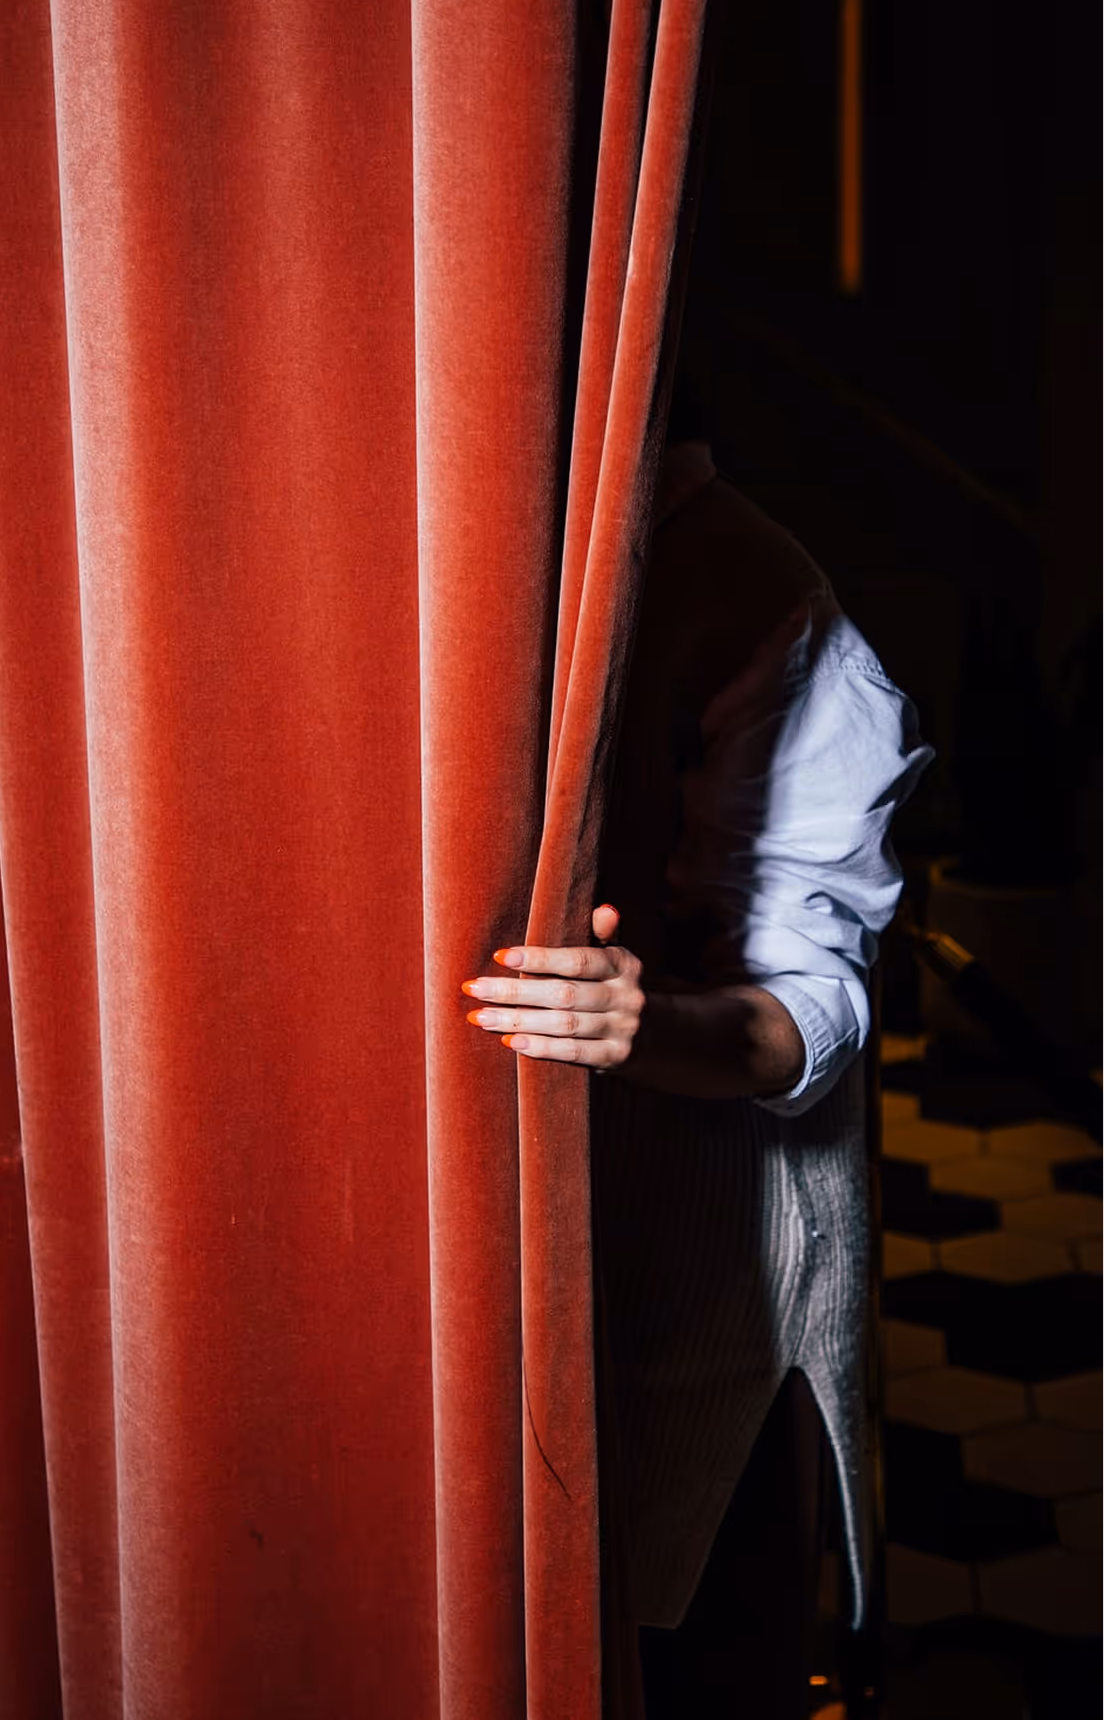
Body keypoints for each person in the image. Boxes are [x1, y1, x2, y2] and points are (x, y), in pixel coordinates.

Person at [460, 437, 934, 1717]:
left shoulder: (765, 598)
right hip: (485, 1282)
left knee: (690, 1645)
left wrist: (642, 1021)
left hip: (702, 1281)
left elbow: (810, 1008)